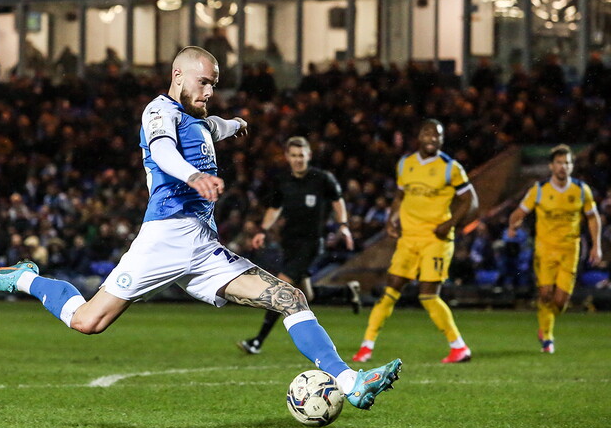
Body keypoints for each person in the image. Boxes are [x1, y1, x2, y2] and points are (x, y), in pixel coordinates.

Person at [0, 46, 401, 411]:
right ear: (178, 76)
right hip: (163, 239)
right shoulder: (158, 111)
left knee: (289, 296)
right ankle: (24, 278)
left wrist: (236, 125)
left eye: (215, 84)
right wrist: (193, 176)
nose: (210, 91)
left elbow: (216, 126)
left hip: (203, 249)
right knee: (88, 322)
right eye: (204, 82)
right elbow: (162, 152)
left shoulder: (199, 119)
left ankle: (350, 382)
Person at [352, 119, 477, 364]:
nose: (432, 138)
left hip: (436, 240)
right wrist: (391, 219)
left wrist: (449, 224)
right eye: (428, 133)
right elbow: (400, 196)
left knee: (428, 294)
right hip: (408, 239)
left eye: (438, 135)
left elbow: (471, 201)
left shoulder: (451, 168)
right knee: (390, 291)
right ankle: (366, 347)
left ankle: (459, 347)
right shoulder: (405, 164)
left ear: (442, 140)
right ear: (419, 136)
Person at [237, 136, 360, 355]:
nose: (298, 160)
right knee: (306, 295)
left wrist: (343, 225)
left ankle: (257, 341)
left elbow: (337, 200)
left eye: (301, 156)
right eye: (293, 156)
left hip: (312, 243)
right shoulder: (283, 181)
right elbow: (275, 208)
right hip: (291, 243)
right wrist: (263, 231)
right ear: (287, 157)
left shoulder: (322, 179)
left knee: (282, 288)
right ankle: (346, 292)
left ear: (308, 156)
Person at [507, 144, 602, 353]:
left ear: (572, 166)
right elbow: (519, 212)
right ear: (551, 166)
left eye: (567, 162)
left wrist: (597, 245)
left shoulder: (581, 190)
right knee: (546, 294)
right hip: (545, 250)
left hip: (570, 249)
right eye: (559, 162)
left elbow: (593, 218)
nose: (563, 167)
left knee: (560, 301)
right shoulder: (539, 190)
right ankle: (547, 336)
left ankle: (546, 324)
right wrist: (513, 225)